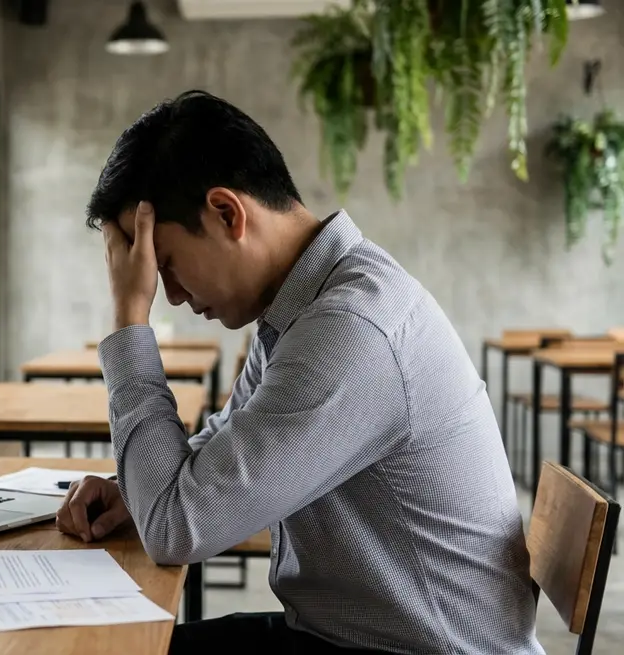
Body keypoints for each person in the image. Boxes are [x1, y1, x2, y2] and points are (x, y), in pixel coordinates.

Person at [55, 90, 541, 654]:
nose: (173, 296)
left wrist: (127, 320)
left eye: (164, 265)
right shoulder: (309, 299)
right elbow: (225, 447)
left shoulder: (351, 331)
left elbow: (174, 528)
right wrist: (130, 492)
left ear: (227, 213)